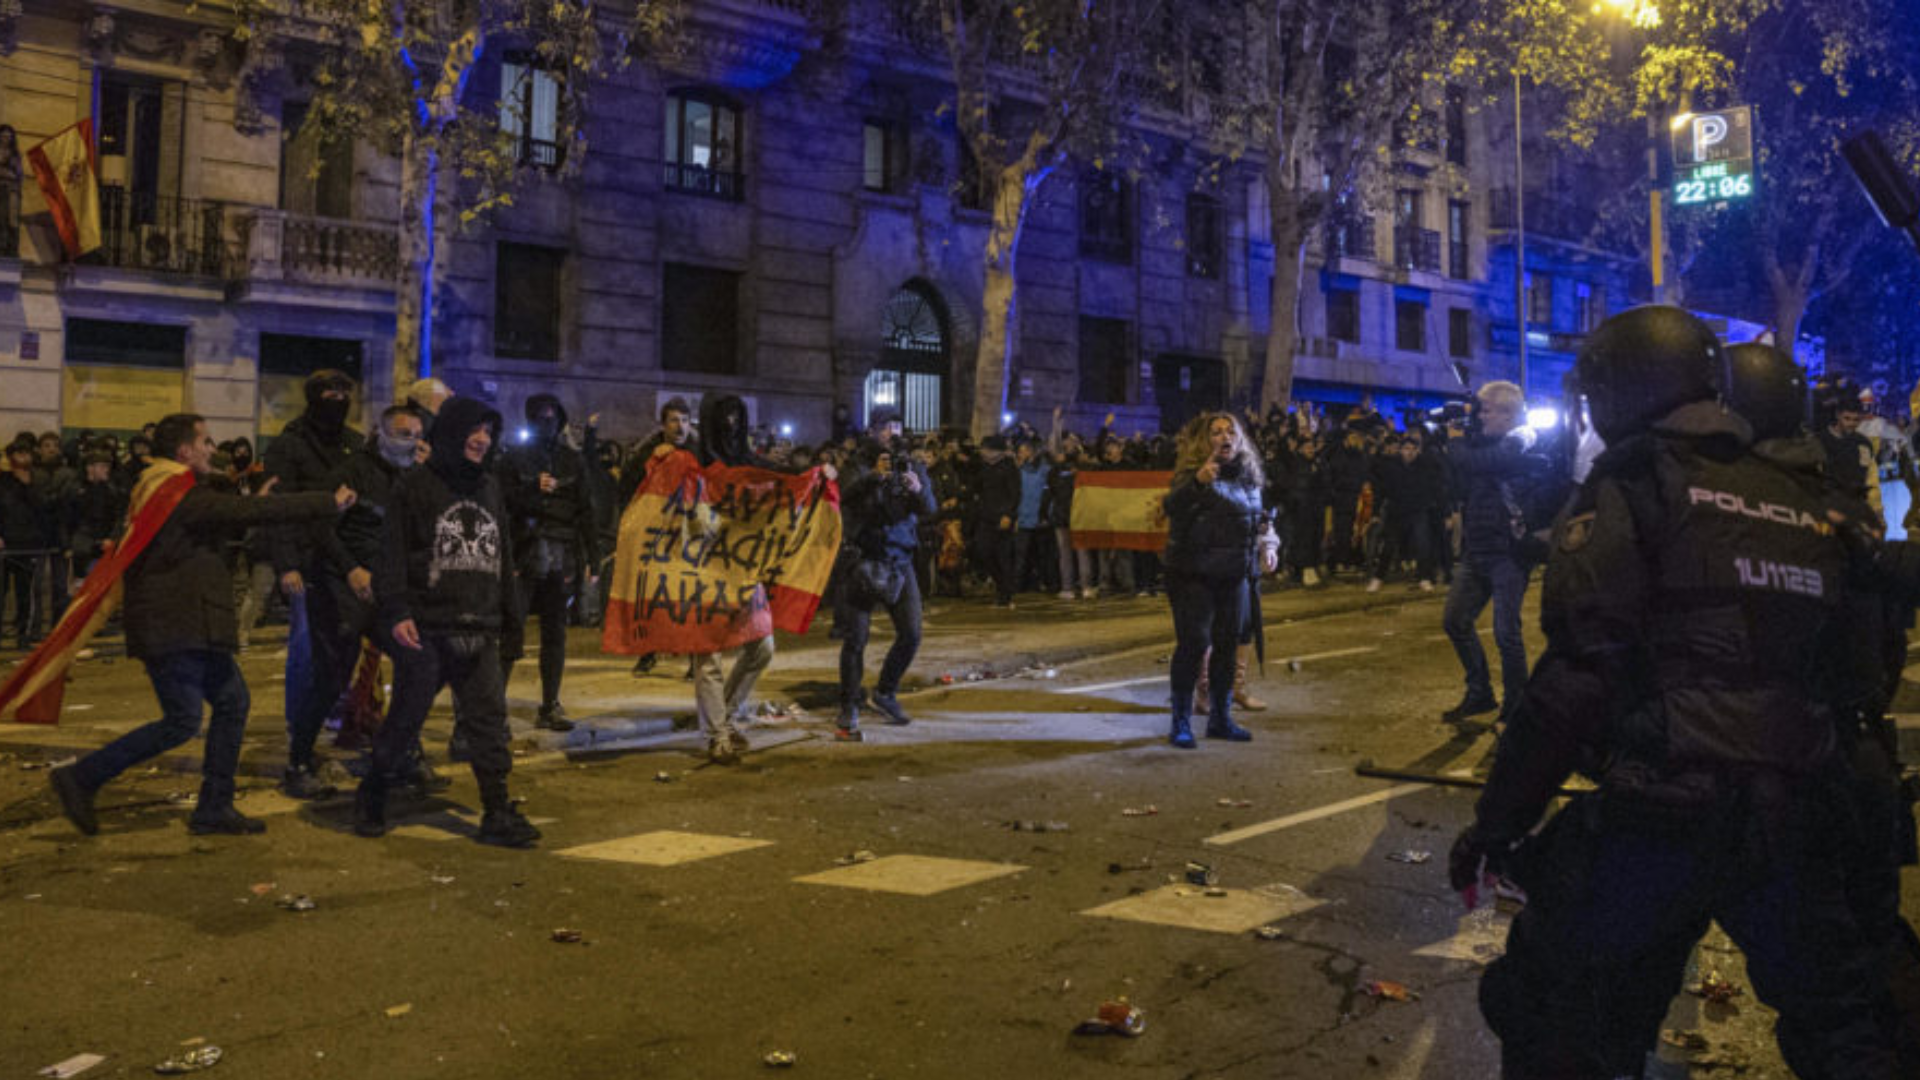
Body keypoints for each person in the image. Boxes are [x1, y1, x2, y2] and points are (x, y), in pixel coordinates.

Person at [1449, 307, 1901, 1078]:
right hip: (1792, 811)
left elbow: (1577, 676)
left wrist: (1497, 823)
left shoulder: (1633, 484)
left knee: (1555, 1006)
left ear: (1620, 389)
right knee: (1846, 1026)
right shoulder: (1796, 496)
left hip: (1662, 808)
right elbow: (1856, 671)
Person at [1727, 342, 1920, 1073]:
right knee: (1863, 955)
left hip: (1795, 768)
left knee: (1830, 983)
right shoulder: (1829, 495)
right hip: (1851, 752)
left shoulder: (1732, 500)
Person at [47, 413, 351, 836]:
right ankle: (82, 777)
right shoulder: (175, 492)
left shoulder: (171, 490)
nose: (213, 449)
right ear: (185, 450)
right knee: (182, 720)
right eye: (205, 441)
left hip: (193, 624)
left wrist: (253, 506)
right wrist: (326, 502)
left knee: (232, 703)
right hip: (175, 626)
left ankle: (214, 806)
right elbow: (230, 510)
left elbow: (221, 521)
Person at [353, 396, 540, 847]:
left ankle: (496, 810)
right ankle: (373, 792)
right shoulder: (415, 486)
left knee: (487, 723)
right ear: (453, 432)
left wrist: (510, 619)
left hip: (480, 626)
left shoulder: (490, 486)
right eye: (474, 430)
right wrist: (396, 611)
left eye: (488, 431)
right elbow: (393, 552)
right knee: (406, 721)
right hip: (429, 627)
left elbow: (503, 553)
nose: (482, 439)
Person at [284, 404, 433, 789]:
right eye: (403, 433)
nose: (411, 441)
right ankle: (298, 762)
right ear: (380, 433)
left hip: (388, 590)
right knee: (332, 676)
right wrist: (350, 567)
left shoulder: (416, 477)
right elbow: (321, 525)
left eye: (417, 434)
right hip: (340, 587)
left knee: (417, 664)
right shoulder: (352, 472)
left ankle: (401, 752)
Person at [263, 369, 362, 797]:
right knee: (313, 657)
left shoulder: (355, 444)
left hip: (353, 564)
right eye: (329, 392)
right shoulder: (290, 444)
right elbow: (280, 509)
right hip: (310, 563)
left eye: (344, 391)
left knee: (345, 661)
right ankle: (299, 745)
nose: (337, 398)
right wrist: (287, 564)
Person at [1161, 413, 1279, 749]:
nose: (1224, 437)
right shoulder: (1191, 473)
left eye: (1231, 432)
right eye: (1216, 432)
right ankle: (1181, 721)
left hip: (1235, 574)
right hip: (1194, 572)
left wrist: (1267, 543)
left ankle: (1221, 718)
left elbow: (1259, 519)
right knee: (1194, 644)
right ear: (1205, 440)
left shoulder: (1248, 475)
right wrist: (1197, 482)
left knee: (1228, 646)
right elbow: (1171, 507)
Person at [1440, 381, 1547, 724]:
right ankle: (1480, 692)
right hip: (1477, 550)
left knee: (1506, 633)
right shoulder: (1480, 444)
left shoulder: (1523, 437)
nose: (1480, 417)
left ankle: (1517, 706)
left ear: (1508, 414)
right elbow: (1463, 469)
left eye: (1486, 411)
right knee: (1455, 620)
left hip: (1509, 553)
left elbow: (1489, 461)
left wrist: (1456, 443)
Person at [500, 394, 597, 731]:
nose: (547, 422)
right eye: (540, 416)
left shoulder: (572, 460)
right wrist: (531, 491)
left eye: (552, 416)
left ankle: (550, 704)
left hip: (560, 553)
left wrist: (593, 559)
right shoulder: (513, 458)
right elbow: (501, 501)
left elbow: (585, 509)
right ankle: (492, 708)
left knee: (554, 633)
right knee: (511, 630)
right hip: (524, 552)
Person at [835, 435, 937, 741]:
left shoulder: (913, 467)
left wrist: (917, 488)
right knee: (856, 638)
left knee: (911, 633)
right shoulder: (857, 468)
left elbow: (929, 508)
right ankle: (849, 704)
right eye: (884, 428)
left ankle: (885, 691)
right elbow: (846, 498)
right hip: (863, 561)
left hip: (900, 561)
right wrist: (873, 478)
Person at [622, 398, 698, 677]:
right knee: (653, 596)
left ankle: (693, 658)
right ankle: (648, 653)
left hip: (689, 537)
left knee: (689, 597)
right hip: (656, 537)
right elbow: (630, 487)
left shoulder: (699, 453)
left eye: (685, 420)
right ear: (663, 425)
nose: (680, 427)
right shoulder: (647, 455)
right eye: (674, 420)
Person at [975, 435, 1021, 607]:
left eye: (985, 448)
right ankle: (1000, 584)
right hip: (986, 516)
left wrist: (1009, 515)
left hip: (1003, 519)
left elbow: (1015, 494)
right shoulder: (985, 467)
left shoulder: (1009, 467)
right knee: (983, 551)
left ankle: (1005, 594)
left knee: (1003, 556)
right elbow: (977, 487)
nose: (982, 452)